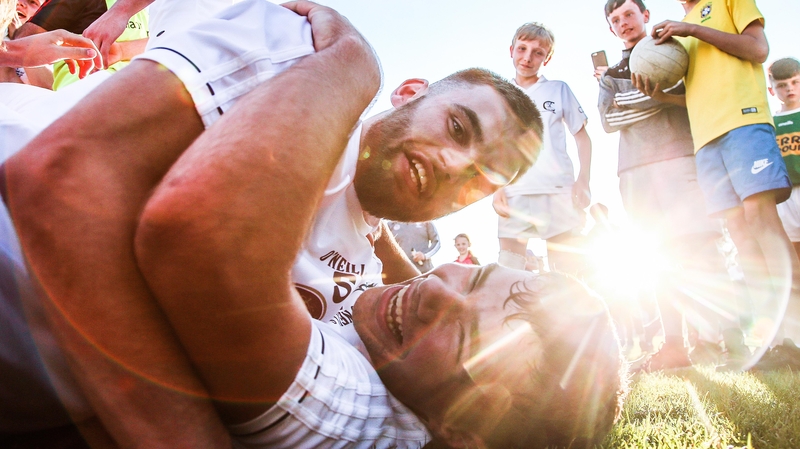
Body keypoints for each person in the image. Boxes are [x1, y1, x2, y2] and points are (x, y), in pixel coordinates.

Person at [0, 1, 551, 446]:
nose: (455, 165)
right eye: (457, 128)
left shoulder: (380, 314)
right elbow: (59, 182)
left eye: (482, 178)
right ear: (412, 93)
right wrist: (355, 61)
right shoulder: (304, 57)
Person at [597, 0, 746, 371]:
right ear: (611, 28)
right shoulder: (610, 73)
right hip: (633, 170)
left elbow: (694, 99)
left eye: (629, 14)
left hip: (680, 158)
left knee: (702, 249)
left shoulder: (676, 52)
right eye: (615, 19)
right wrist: (660, 98)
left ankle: (733, 343)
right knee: (658, 258)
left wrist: (641, 99)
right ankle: (675, 347)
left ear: (645, 16)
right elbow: (608, 121)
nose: (623, 22)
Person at [650, 0, 800, 362]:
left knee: (762, 222)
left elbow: (758, 50)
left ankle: (795, 335)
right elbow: (702, 91)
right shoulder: (681, 27)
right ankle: (774, 341)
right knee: (740, 236)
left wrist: (692, 29)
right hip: (706, 140)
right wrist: (662, 97)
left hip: (744, 123)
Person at [492, 22, 592, 275]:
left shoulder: (558, 89)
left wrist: (583, 180)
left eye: (538, 53)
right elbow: (495, 147)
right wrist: (497, 188)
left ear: (546, 58)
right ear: (511, 50)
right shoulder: (499, 95)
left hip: (558, 191)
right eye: (522, 49)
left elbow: (583, 138)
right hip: (514, 194)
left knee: (567, 274)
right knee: (508, 271)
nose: (527, 58)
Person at [13, 0, 147, 89]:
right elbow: (26, 38)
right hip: (87, 94)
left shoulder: (151, 9)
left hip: (136, 90)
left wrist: (122, 50)